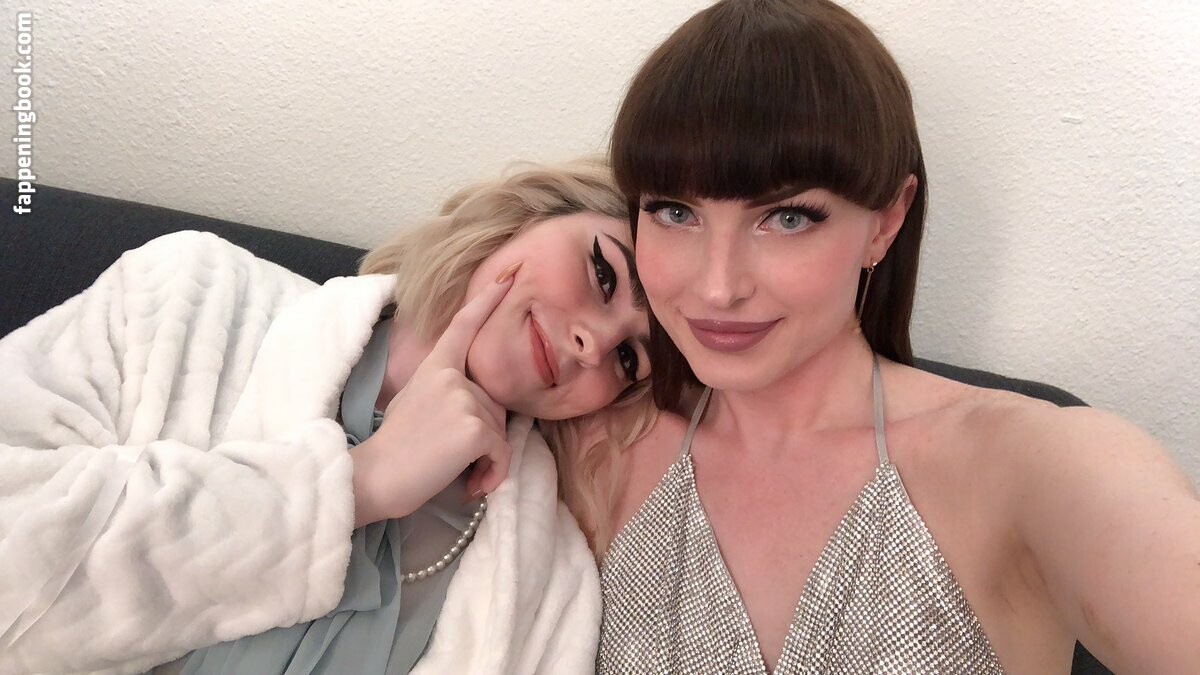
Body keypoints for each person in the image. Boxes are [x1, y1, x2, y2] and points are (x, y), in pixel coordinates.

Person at [595, 1, 1200, 673]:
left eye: (788, 218)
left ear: (885, 222)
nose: (717, 287)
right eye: (674, 212)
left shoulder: (1028, 463)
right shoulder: (601, 453)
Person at [0, 159, 653, 674]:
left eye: (630, 358)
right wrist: (360, 484)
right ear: (528, 215)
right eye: (603, 274)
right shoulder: (187, 293)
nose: (593, 344)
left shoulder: (547, 582)